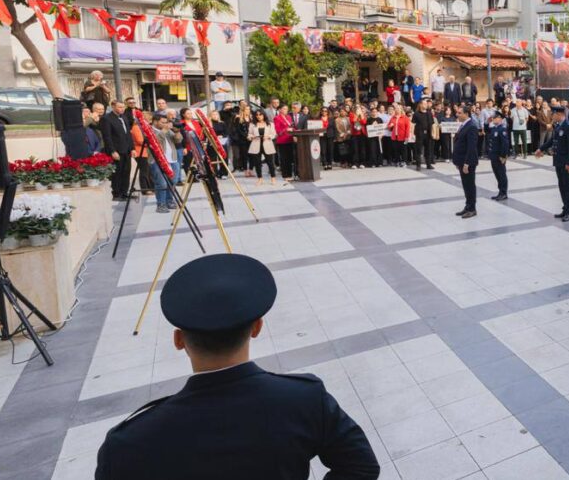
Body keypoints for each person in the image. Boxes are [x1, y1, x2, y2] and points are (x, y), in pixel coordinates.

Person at [94, 253, 380, 479]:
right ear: (256, 328)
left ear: (178, 340)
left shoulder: (129, 442)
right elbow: (361, 467)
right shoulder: (303, 399)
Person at [535, 106, 569, 222]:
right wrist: (541, 149)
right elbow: (552, 141)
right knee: (562, 186)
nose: (552, 116)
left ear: (559, 114)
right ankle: (565, 208)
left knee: (568, 187)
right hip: (558, 161)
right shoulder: (558, 126)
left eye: (553, 114)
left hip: (566, 163)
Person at [101, 100, 134, 201]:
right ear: (113, 107)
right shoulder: (107, 119)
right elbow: (107, 137)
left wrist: (132, 148)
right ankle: (116, 193)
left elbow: (128, 134)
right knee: (117, 173)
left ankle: (124, 192)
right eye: (119, 107)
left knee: (126, 171)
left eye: (123, 107)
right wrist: (112, 151)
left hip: (127, 149)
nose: (122, 109)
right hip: (116, 150)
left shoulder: (124, 117)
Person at [150, 112, 183, 213]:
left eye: (166, 122)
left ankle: (169, 201)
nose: (165, 124)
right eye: (162, 122)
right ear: (155, 121)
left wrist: (177, 131)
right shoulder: (150, 130)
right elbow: (156, 140)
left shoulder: (167, 131)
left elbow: (178, 140)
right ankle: (161, 204)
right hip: (157, 161)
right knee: (161, 184)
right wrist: (165, 129)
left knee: (173, 181)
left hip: (172, 159)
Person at [452, 105, 479, 219]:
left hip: (467, 162)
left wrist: (467, 163)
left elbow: (471, 147)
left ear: (466, 114)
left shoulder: (471, 126)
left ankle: (472, 208)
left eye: (459, 113)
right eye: (457, 112)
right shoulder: (464, 125)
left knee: (469, 185)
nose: (457, 115)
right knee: (465, 185)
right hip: (461, 161)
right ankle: (467, 206)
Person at [486, 111, 511, 201]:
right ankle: (500, 192)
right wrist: (487, 122)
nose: (493, 119)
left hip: (499, 156)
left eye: (495, 118)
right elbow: (486, 130)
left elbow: (505, 144)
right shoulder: (494, 128)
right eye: (493, 118)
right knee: (497, 174)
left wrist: (503, 156)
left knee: (501, 174)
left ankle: (504, 193)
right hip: (493, 156)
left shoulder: (502, 129)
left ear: (500, 119)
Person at [248, 112, 277, 185]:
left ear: (264, 115)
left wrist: (268, 137)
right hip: (256, 144)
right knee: (257, 163)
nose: (258, 116)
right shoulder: (252, 124)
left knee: (270, 163)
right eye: (257, 115)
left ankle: (273, 178)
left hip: (267, 144)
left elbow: (274, 134)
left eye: (260, 114)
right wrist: (251, 137)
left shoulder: (270, 124)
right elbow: (249, 134)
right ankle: (260, 178)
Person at [274, 105, 296, 181]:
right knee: (284, 158)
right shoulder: (277, 118)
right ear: (280, 109)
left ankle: (290, 174)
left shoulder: (289, 117)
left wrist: (292, 129)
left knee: (289, 158)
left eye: (287, 108)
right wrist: (287, 129)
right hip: (282, 140)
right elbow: (278, 130)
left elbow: (292, 127)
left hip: (290, 139)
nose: (286, 110)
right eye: (284, 108)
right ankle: (285, 175)